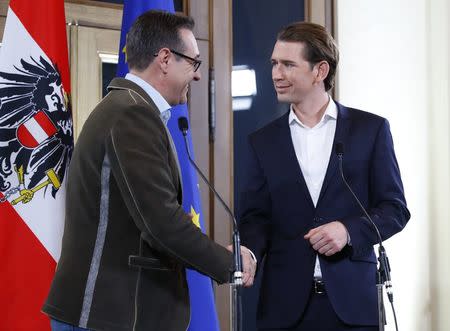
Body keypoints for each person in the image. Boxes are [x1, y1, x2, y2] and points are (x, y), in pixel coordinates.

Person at [42, 10, 256, 331]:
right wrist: (230, 264)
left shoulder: (126, 108)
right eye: (193, 63)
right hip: (108, 313)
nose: (197, 75)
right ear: (166, 59)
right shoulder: (132, 115)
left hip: (107, 310)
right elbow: (160, 223)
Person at [238, 21, 410, 331]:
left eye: (288, 64)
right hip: (284, 309)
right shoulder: (261, 141)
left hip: (353, 307)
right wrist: (248, 252)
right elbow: (255, 218)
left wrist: (348, 231)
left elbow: (394, 210)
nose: (276, 74)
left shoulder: (370, 130)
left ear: (320, 71)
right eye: (274, 63)